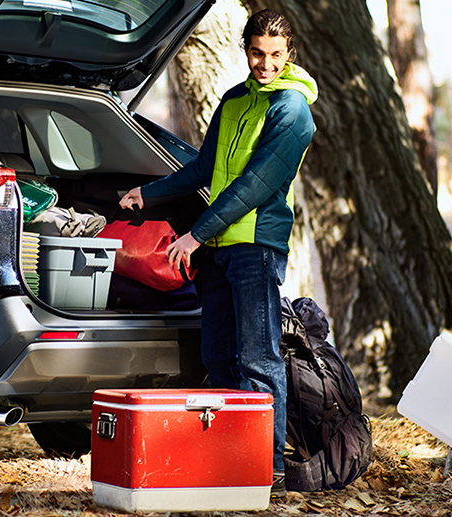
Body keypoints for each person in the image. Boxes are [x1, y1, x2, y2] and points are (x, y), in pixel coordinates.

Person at [119, 9, 318, 499]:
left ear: (289, 52)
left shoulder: (292, 110)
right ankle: (230, 456)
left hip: (255, 246)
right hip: (220, 248)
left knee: (258, 356)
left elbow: (254, 185)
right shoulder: (234, 100)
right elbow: (203, 168)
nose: (265, 63)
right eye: (256, 52)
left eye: (275, 54)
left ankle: (265, 465)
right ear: (244, 49)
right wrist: (151, 193)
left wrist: (195, 234)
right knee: (217, 354)